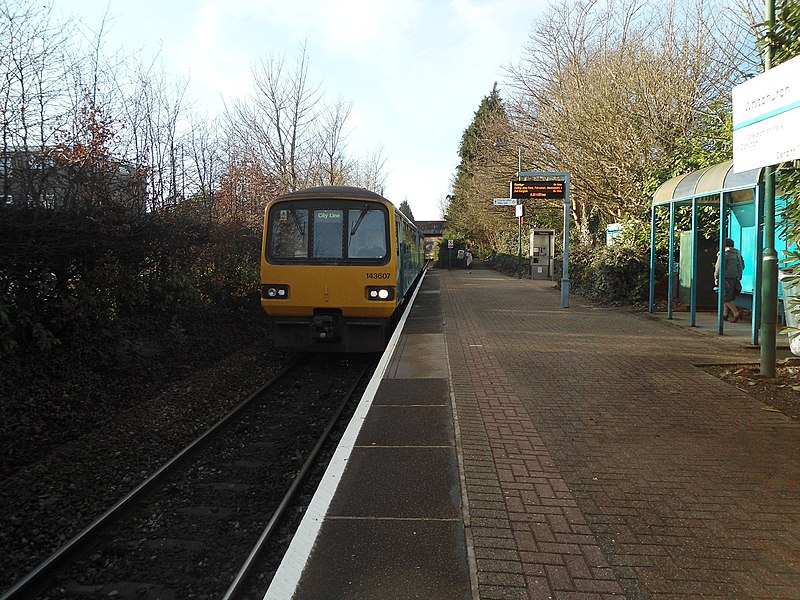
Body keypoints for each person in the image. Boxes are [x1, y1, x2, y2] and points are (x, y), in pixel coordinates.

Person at [714, 238, 744, 322]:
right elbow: (742, 265)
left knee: (725, 297)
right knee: (728, 296)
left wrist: (716, 277)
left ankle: (736, 313)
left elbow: (719, 267)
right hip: (735, 277)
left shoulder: (724, 254)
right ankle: (725, 314)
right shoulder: (737, 254)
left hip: (725, 277)